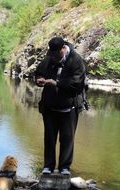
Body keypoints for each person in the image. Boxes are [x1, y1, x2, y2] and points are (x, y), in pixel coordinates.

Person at [35, 36, 86, 175]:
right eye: (52, 55)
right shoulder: (50, 57)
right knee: (49, 137)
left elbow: (77, 83)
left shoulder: (76, 60)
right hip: (50, 106)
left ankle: (64, 167)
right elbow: (38, 72)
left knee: (67, 138)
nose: (54, 58)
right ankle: (48, 166)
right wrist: (39, 79)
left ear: (63, 48)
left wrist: (56, 83)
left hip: (70, 106)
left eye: (57, 54)